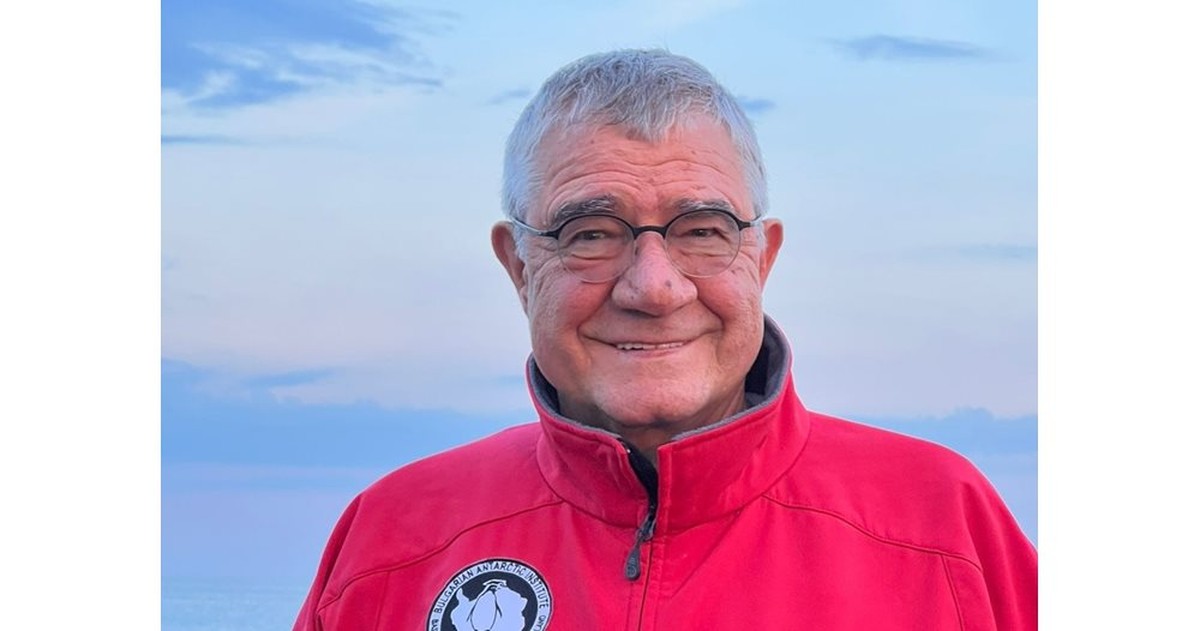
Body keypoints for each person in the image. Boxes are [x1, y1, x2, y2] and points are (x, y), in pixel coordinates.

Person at [293, 49, 1037, 630]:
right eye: (590, 233)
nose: (653, 287)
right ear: (518, 266)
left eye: (702, 231)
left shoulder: (944, 529)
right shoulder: (391, 543)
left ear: (762, 258)